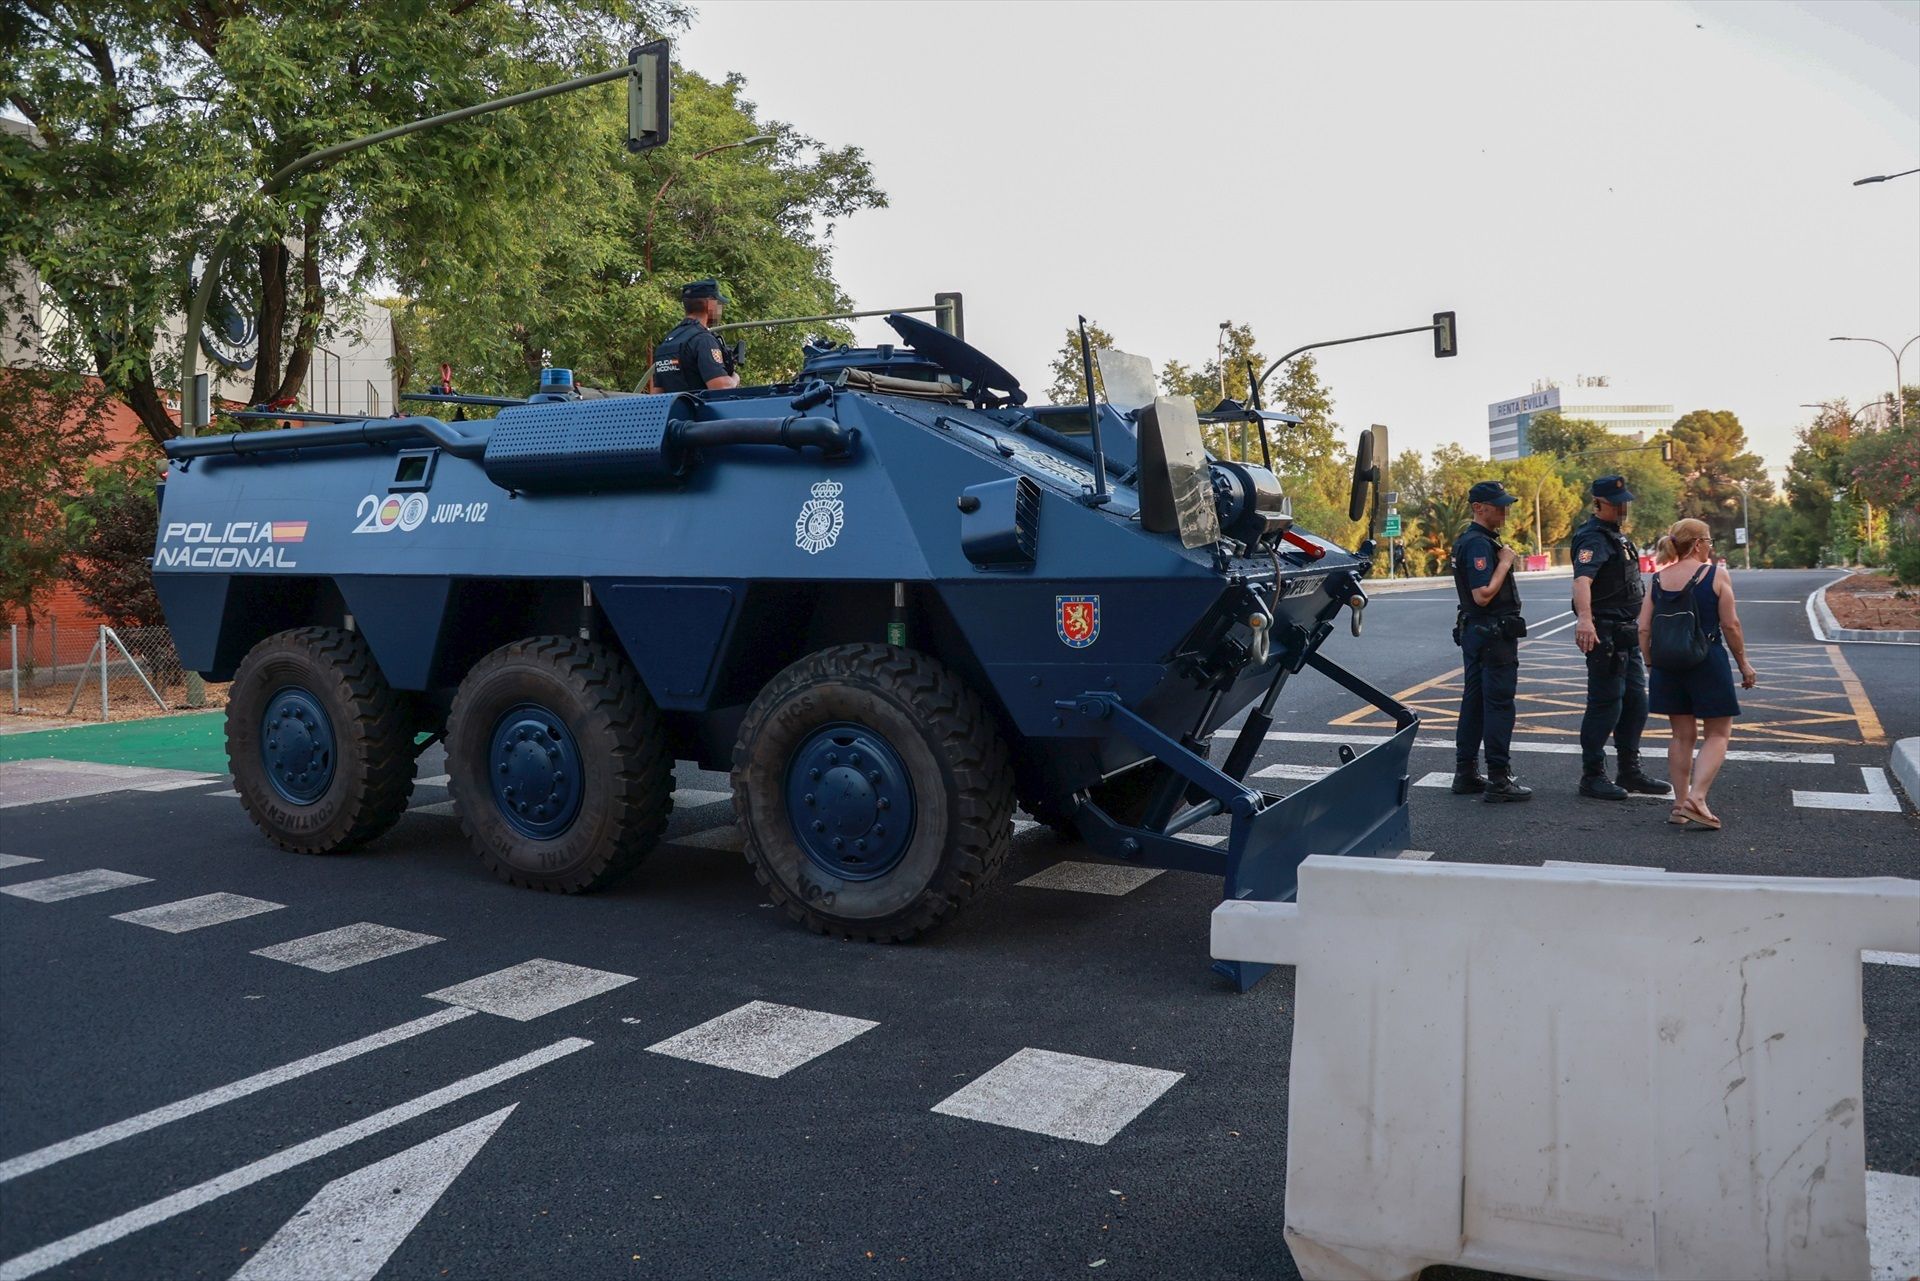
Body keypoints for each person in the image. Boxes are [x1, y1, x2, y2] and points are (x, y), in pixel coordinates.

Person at [1638, 518, 1758, 830]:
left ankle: (1679, 806)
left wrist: (1651, 663)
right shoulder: (1716, 575)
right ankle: (1698, 797)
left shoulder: (1658, 579)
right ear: (1697, 544)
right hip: (1707, 661)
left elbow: (1643, 628)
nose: (1711, 546)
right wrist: (1744, 664)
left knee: (1681, 736)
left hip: (1667, 665)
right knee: (1717, 733)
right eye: (1708, 540)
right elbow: (1731, 625)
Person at [1571, 476, 1670, 801]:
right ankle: (1593, 775)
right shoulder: (1592, 538)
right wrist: (1585, 620)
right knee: (1605, 706)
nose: (1623, 507)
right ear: (1598, 503)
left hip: (1626, 634)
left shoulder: (1616, 537)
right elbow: (1583, 581)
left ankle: (1629, 771)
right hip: (1606, 634)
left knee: (1635, 705)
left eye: (1624, 501)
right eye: (1616, 503)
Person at [1450, 480, 1532, 802]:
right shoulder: (1478, 544)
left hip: (1479, 633)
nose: (1505, 510)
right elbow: (1482, 595)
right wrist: (1505, 563)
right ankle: (1499, 778)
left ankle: (1466, 772)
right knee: (1498, 704)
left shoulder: (1476, 541)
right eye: (1499, 505)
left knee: (1475, 703)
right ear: (1478, 508)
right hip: (1491, 635)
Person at [649, 279, 740, 393]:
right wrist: (735, 378)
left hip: (674, 410)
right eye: (719, 304)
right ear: (710, 304)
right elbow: (721, 387)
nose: (720, 309)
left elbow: (656, 394)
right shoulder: (704, 340)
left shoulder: (668, 342)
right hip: (700, 410)